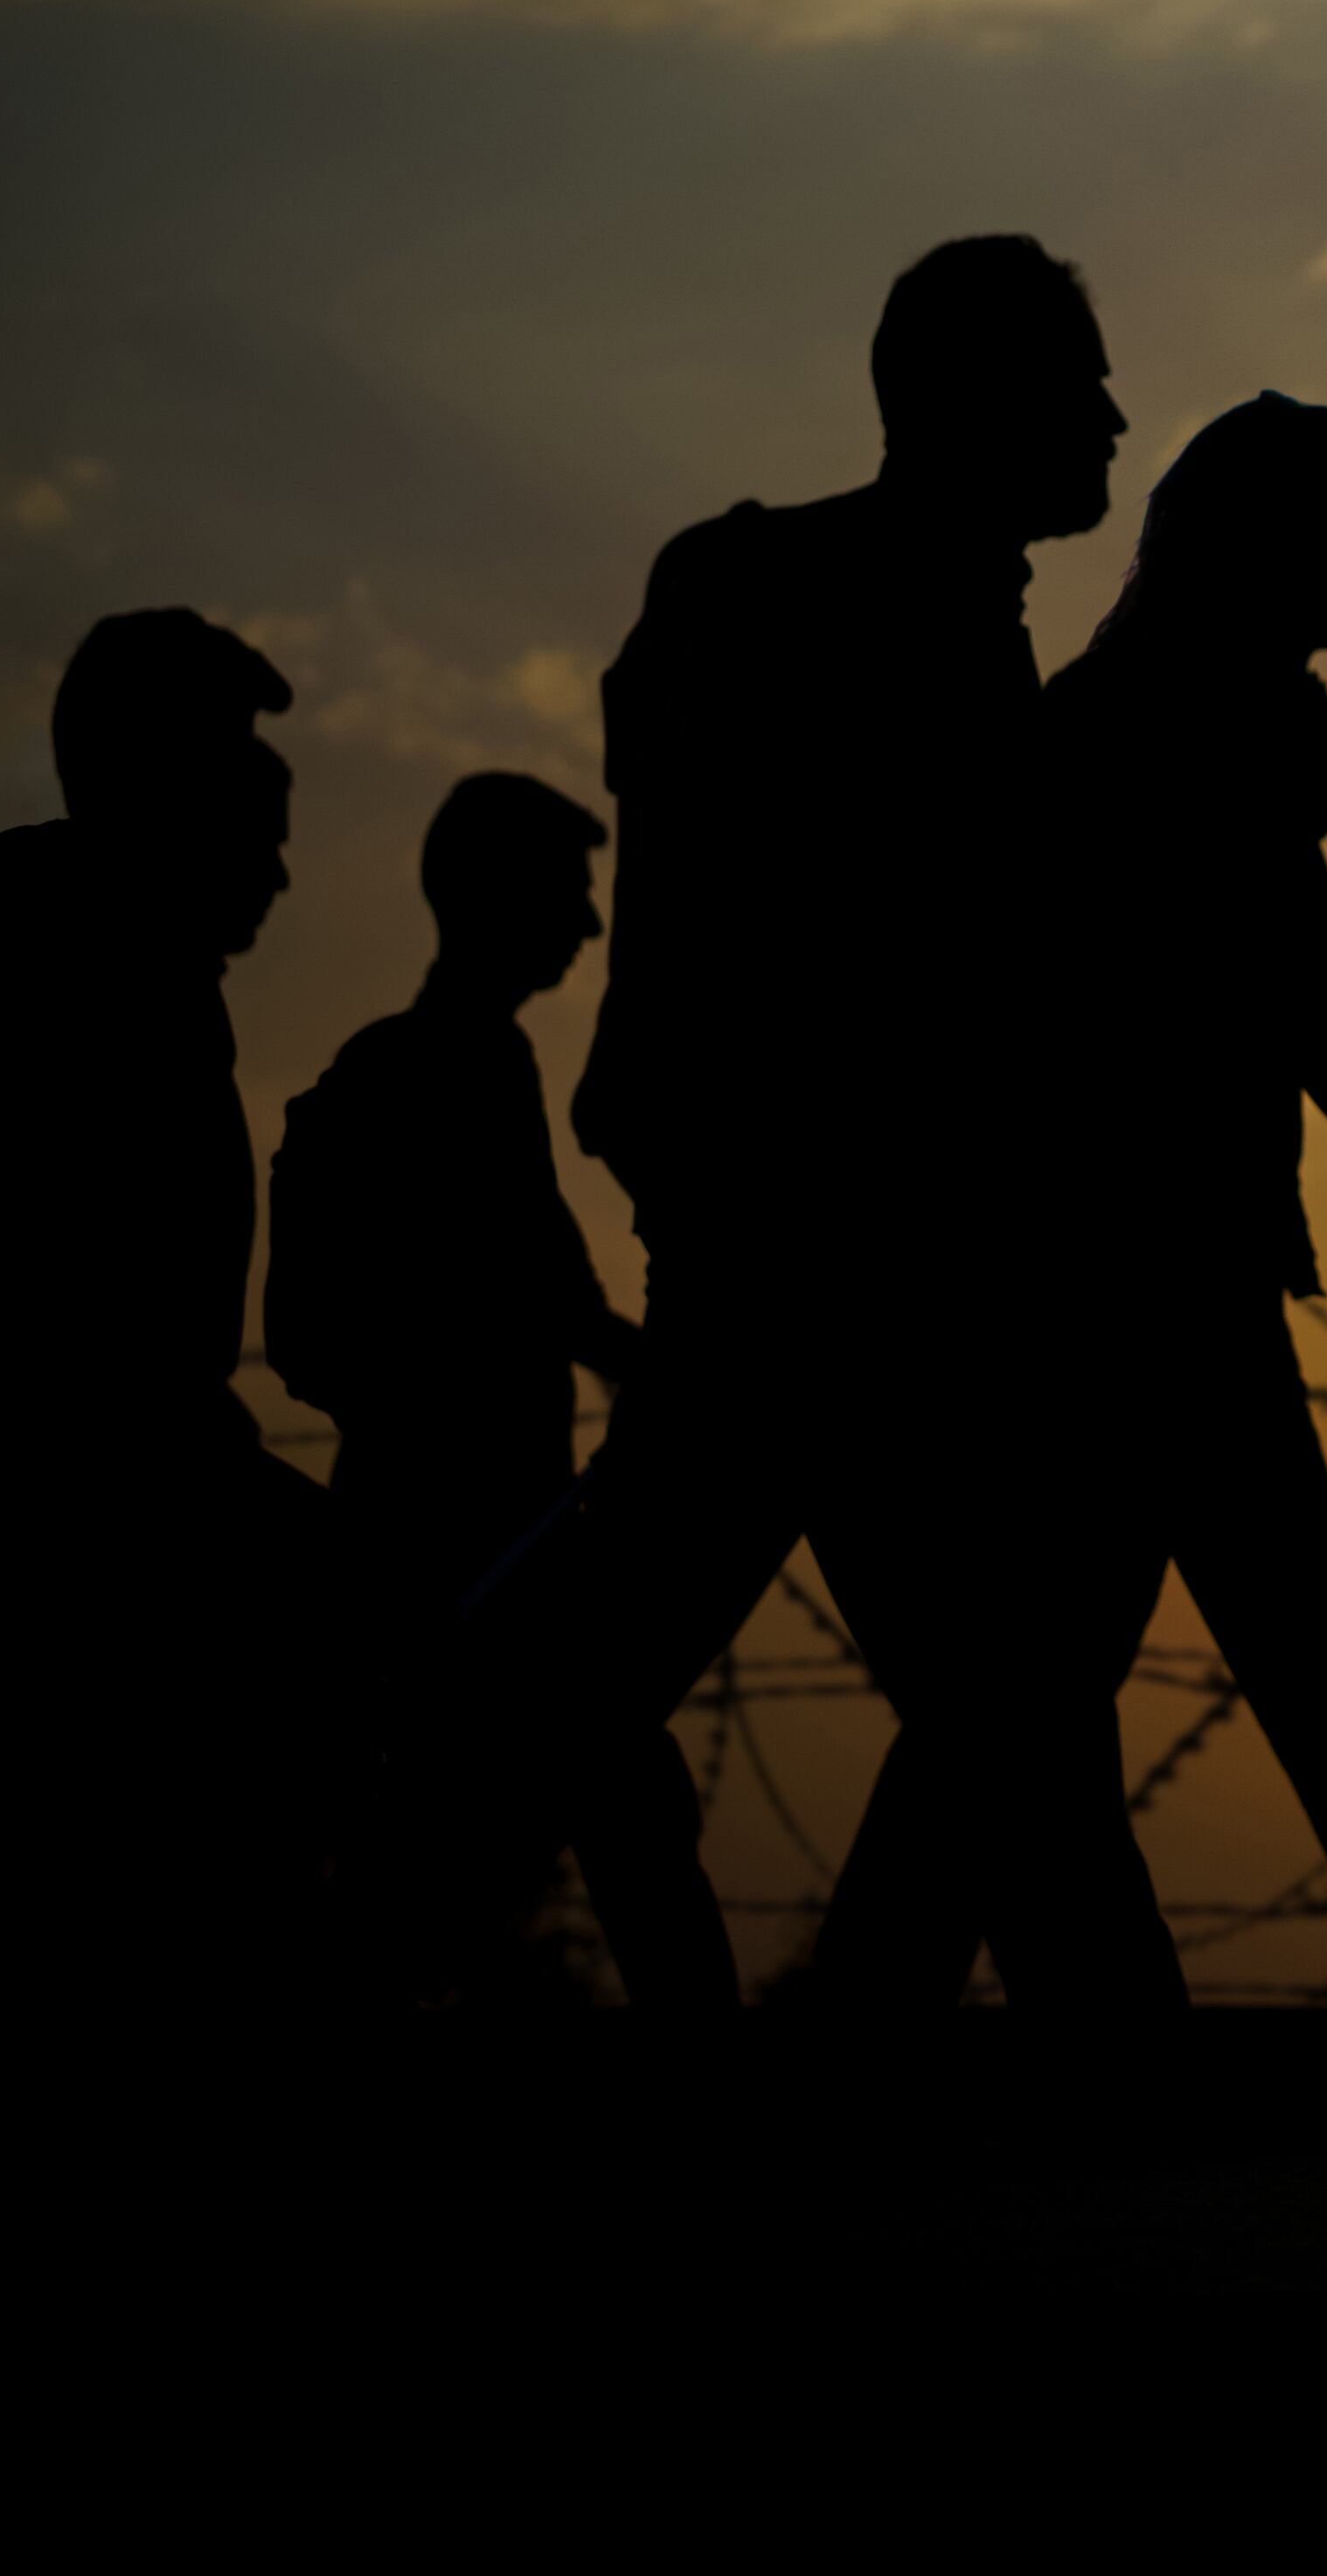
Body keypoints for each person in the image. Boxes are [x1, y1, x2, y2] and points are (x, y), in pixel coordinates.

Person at [432, 235, 1185, 2011]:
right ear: (975, 400)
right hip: (829, 1260)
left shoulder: (894, 616)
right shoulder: (813, 606)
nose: (1110, 418)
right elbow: (812, 949)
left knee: (982, 1711)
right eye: (1075, 387)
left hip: (842, 1258)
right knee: (960, 1705)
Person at [824, 396, 1327, 2015]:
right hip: (1133, 1295)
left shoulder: (1174, 730)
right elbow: (1323, 1021)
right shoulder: (1168, 747)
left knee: (1051, 1695)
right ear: (1271, 546)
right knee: (1241, 1679)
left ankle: (902, 2022)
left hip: (1128, 1290)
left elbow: (1325, 1017)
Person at [268, 771, 736, 2006]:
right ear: (496, 898)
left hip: (477, 1545)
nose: (588, 927)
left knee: (481, 1851)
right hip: (473, 1554)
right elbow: (555, 1300)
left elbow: (552, 1302)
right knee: (579, 1828)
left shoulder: (455, 1061)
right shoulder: (459, 1069)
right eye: (568, 897)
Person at [0, 608, 351, 2002]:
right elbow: (90, 1372)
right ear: (159, 794)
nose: (281, 871)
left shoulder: (107, 964)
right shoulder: (72, 969)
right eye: (254, 815)